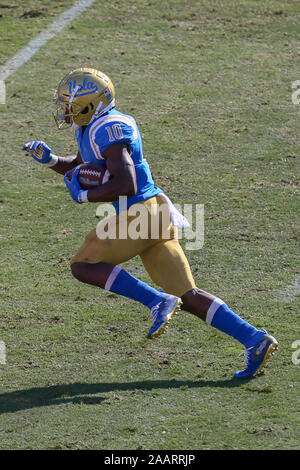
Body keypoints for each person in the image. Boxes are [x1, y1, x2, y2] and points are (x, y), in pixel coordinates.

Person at [22, 67, 278, 379]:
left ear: (93, 104)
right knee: (188, 295)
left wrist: (84, 198)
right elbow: (81, 167)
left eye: (71, 104)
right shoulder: (93, 126)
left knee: (84, 264)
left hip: (142, 213)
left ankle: (157, 301)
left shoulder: (110, 130)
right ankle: (255, 339)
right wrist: (51, 161)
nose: (65, 110)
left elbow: (126, 182)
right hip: (152, 215)